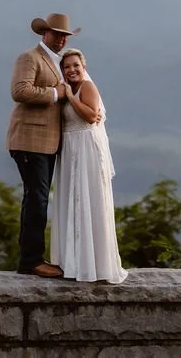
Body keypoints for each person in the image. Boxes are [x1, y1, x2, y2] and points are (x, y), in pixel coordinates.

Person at [6, 12, 80, 278]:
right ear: (44, 34)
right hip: (29, 140)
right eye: (57, 34)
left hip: (47, 143)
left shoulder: (56, 62)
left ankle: (33, 258)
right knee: (36, 199)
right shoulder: (30, 57)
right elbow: (20, 91)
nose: (61, 39)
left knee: (37, 199)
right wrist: (55, 93)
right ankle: (30, 261)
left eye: (65, 36)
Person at [50, 48, 128, 284]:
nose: (72, 70)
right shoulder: (67, 89)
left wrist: (71, 98)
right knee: (72, 202)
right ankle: (73, 262)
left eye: (76, 65)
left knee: (89, 199)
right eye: (67, 67)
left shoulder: (87, 87)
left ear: (83, 67)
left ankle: (96, 265)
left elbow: (90, 115)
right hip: (70, 150)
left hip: (86, 148)